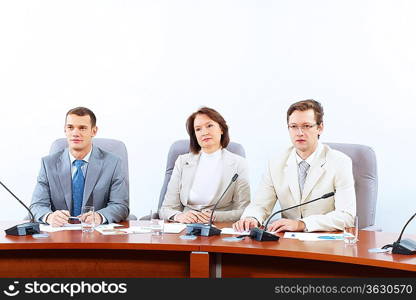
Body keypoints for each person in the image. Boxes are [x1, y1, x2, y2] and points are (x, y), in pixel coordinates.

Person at [233, 100, 356, 233]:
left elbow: (346, 216)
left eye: (306, 126)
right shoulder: (276, 162)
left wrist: (302, 224)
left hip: (326, 241)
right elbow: (260, 205)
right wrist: (252, 217)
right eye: (293, 126)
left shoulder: (339, 162)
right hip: (288, 242)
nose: (299, 132)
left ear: (320, 128)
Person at [30, 107, 129, 227]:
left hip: (97, 235)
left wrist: (100, 216)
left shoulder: (113, 163)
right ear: (65, 130)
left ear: (94, 131)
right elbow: (37, 205)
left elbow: (120, 206)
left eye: (82, 128)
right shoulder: (48, 164)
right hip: (60, 236)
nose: (75, 133)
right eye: (70, 127)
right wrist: (49, 216)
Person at [159, 107, 250, 223]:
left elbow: (244, 210)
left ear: (221, 129)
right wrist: (179, 216)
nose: (204, 132)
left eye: (209, 126)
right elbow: (166, 209)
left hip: (220, 226)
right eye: (198, 129)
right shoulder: (182, 162)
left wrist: (215, 216)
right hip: (186, 226)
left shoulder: (238, 163)